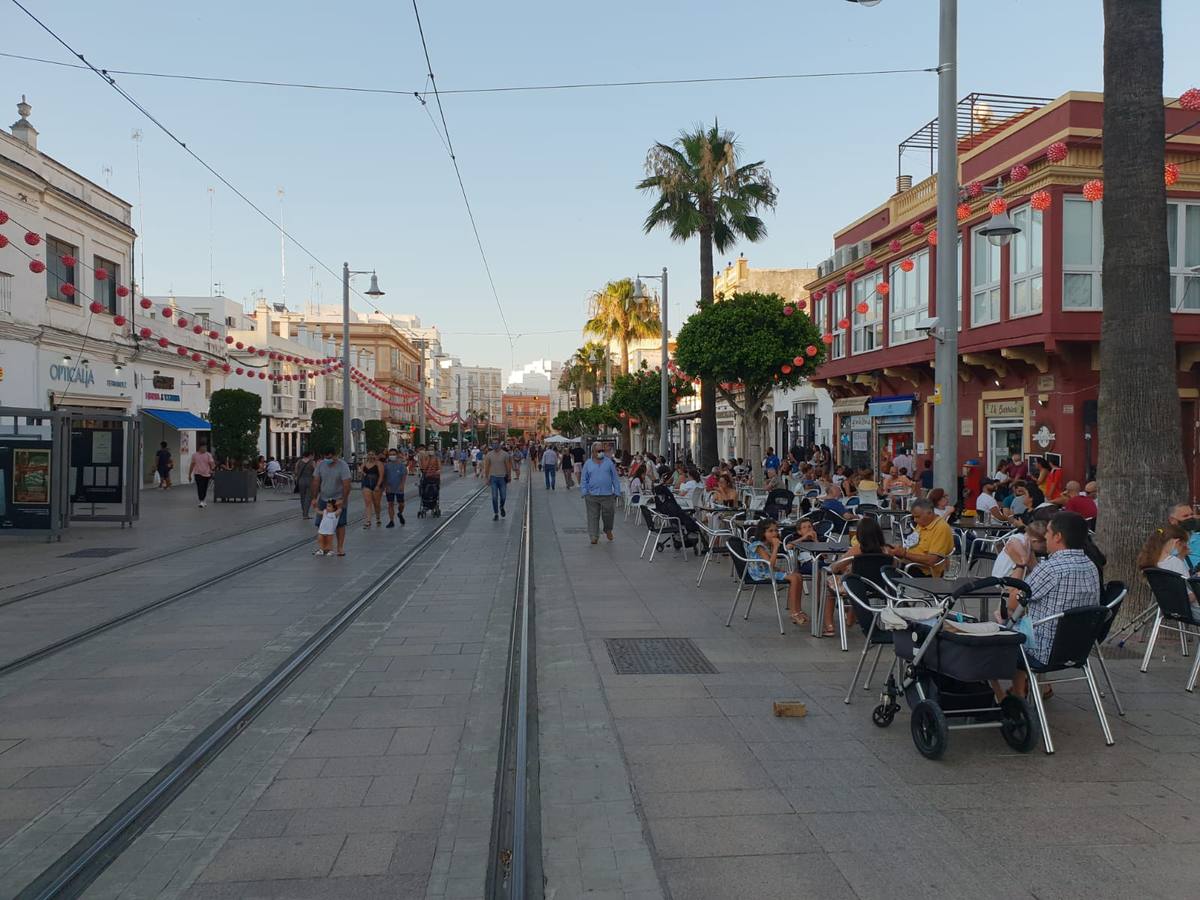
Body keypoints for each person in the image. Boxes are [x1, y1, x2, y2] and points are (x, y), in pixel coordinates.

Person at [1008, 511, 1101, 699]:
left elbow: (1012, 601)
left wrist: (1019, 564)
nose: (1045, 537)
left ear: (1058, 537)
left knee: (1003, 633)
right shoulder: (1090, 565)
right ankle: (1041, 687)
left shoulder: (1051, 568)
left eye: (1048, 533)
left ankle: (1016, 697)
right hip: (1077, 648)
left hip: (1042, 651)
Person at [827, 515, 892, 636]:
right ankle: (851, 618)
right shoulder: (887, 550)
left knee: (830, 584)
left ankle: (829, 625)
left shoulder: (858, 549)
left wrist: (841, 567)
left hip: (857, 588)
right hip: (880, 587)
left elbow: (835, 567)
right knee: (854, 577)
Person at [746, 518, 808, 627]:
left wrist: (779, 570)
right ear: (763, 533)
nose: (774, 533)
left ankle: (798, 610)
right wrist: (775, 548)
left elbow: (769, 565)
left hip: (766, 571)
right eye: (770, 531)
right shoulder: (758, 546)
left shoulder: (766, 544)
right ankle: (793, 612)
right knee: (793, 578)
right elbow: (770, 564)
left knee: (798, 576)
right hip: (760, 574)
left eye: (776, 530)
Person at [889, 498, 954, 576]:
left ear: (929, 513)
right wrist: (897, 550)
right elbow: (911, 544)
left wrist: (904, 554)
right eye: (914, 517)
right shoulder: (922, 524)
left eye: (917, 517)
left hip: (925, 572)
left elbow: (932, 560)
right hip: (910, 565)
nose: (915, 520)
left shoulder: (941, 528)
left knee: (885, 571)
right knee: (882, 562)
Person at [311, 447, 352, 557]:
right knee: (321, 524)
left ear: (335, 456)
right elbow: (316, 481)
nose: (327, 459)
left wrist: (343, 499)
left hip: (338, 498)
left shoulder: (343, 466)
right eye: (326, 457)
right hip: (324, 498)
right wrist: (314, 498)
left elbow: (347, 484)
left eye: (330, 457)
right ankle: (323, 548)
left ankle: (340, 547)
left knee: (340, 524)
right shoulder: (321, 465)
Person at [580, 441, 621, 544]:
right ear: (593, 452)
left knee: (609, 514)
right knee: (593, 516)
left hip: (607, 495)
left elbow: (615, 478)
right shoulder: (588, 464)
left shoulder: (609, 462)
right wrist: (584, 492)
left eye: (602, 450)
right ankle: (594, 536)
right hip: (591, 495)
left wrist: (617, 491)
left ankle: (608, 530)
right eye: (599, 451)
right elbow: (584, 479)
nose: (601, 452)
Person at [482, 440, 513, 521]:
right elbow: (487, 467)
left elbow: (508, 466)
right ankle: (496, 513)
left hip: (502, 478)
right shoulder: (489, 455)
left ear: (499, 444)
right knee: (494, 497)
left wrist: (509, 476)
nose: (494, 445)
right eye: (493, 443)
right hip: (493, 478)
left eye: (496, 443)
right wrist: (486, 478)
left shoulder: (505, 454)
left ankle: (501, 506)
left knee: (503, 496)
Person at [1166, 504, 1200, 569]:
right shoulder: (1163, 541)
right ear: (1172, 520)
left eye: (1191, 515)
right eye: (1185, 516)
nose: (1190, 518)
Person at [359, 451, 384, 529]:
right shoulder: (364, 464)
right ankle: (368, 521)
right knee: (368, 503)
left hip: (376, 483)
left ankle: (378, 517)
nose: (370, 456)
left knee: (376, 503)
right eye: (369, 454)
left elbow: (381, 475)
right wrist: (361, 472)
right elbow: (360, 474)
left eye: (372, 454)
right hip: (366, 484)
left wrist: (378, 485)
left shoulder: (379, 464)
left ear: (375, 455)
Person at [383, 448, 407, 527]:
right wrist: (386, 486)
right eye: (390, 454)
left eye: (393, 454)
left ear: (397, 455)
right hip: (390, 487)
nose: (392, 456)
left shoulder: (401, 465)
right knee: (390, 503)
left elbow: (404, 476)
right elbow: (384, 477)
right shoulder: (386, 466)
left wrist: (402, 485)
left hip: (399, 487)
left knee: (401, 504)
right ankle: (391, 521)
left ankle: (400, 513)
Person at [188, 442, 216, 508]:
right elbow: (192, 465)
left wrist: (212, 469)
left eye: (205, 447)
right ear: (199, 448)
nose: (205, 448)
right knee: (200, 487)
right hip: (198, 474)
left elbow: (212, 464)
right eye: (203, 447)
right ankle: (201, 501)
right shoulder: (195, 455)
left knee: (204, 488)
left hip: (206, 474)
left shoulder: (208, 455)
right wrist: (189, 474)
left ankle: (203, 500)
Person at [294, 451, 316, 519]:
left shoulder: (298, 462)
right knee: (308, 497)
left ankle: (304, 512)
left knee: (302, 497)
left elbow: (296, 472)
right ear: (309, 455)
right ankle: (306, 514)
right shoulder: (312, 462)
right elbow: (315, 472)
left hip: (301, 481)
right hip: (310, 480)